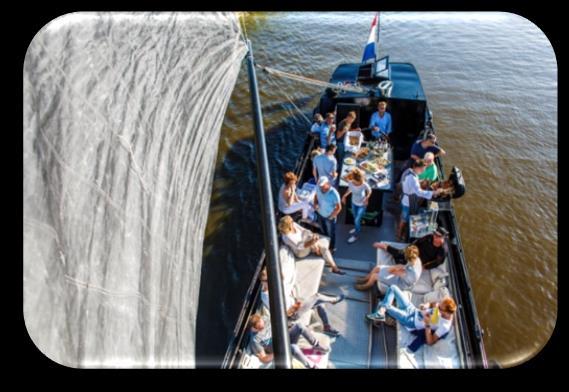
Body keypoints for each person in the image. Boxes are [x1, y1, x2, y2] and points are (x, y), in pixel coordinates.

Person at [366, 285, 457, 350]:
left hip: (411, 321)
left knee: (384, 305)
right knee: (393, 288)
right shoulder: (442, 306)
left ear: (446, 312)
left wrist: (427, 324)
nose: (438, 307)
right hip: (413, 310)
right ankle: (380, 314)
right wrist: (426, 305)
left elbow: (430, 341)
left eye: (440, 308)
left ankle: (380, 314)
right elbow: (433, 304)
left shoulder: (444, 326)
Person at [259, 268, 345, 337]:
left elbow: (283, 283)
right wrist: (295, 306)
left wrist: (296, 300)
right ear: (264, 282)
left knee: (320, 303)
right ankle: (334, 300)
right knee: (317, 296)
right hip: (292, 314)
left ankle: (327, 327)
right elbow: (282, 314)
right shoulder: (267, 296)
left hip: (295, 304)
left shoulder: (273, 287)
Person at [248, 313, 330, 369]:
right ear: (254, 328)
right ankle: (310, 366)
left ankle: (316, 345)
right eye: (261, 328)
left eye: (263, 324)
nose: (264, 327)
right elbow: (264, 359)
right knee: (293, 347)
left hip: (285, 338)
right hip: (280, 350)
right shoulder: (255, 340)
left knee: (299, 326)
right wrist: (278, 352)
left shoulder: (265, 319)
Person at [278, 215, 345, 274]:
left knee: (324, 248)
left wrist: (312, 235)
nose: (293, 222)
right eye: (291, 222)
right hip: (300, 252)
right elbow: (300, 246)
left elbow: (304, 230)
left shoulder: (294, 225)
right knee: (314, 241)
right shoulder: (287, 236)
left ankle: (334, 267)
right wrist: (312, 241)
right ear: (288, 225)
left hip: (306, 242)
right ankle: (317, 251)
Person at [398, 159, 444, 241]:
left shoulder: (408, 171)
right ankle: (399, 235)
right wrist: (434, 192)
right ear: (416, 167)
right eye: (422, 169)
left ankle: (402, 232)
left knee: (405, 217)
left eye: (424, 169)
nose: (423, 171)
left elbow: (408, 182)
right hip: (408, 202)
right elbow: (419, 192)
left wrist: (420, 181)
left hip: (404, 197)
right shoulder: (413, 179)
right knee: (404, 219)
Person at [373, 227, 449, 270]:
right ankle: (384, 246)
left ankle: (386, 269)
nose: (435, 236)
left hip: (419, 260)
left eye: (438, 236)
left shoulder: (442, 250)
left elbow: (437, 262)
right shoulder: (429, 237)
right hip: (414, 250)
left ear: (443, 238)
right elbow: (418, 241)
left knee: (405, 265)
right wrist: (410, 247)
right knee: (399, 253)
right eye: (435, 234)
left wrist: (424, 267)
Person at [354, 245, 422, 291]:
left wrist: (396, 267)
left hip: (401, 284)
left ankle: (366, 285)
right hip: (402, 274)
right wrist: (399, 267)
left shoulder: (412, 273)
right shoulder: (416, 259)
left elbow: (391, 271)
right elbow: (400, 269)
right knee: (378, 268)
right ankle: (365, 278)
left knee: (375, 276)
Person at [341, 168, 371, 244]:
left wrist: (367, 198)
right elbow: (349, 189)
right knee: (355, 218)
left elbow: (370, 190)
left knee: (357, 220)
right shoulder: (351, 182)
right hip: (354, 203)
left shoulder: (364, 184)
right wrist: (344, 196)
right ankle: (356, 228)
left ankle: (356, 235)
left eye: (358, 181)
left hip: (362, 205)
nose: (357, 183)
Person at [313, 176, 342, 252]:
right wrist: (315, 203)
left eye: (323, 185)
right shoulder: (318, 188)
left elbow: (339, 207)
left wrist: (331, 216)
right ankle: (325, 244)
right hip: (320, 214)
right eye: (320, 185)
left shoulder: (334, 194)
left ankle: (332, 248)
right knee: (322, 230)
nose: (321, 187)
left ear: (328, 183)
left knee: (331, 233)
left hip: (329, 218)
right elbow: (316, 196)